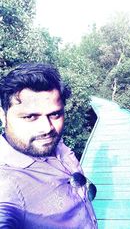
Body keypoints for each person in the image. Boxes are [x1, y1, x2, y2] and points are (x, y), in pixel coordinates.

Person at [0, 63, 97, 229]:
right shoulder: (7, 188)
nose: (47, 128)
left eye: (55, 114)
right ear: (3, 115)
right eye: (30, 117)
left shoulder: (50, 143)